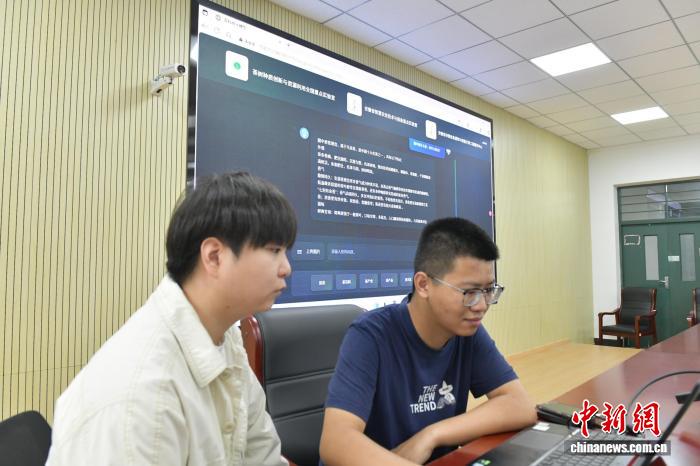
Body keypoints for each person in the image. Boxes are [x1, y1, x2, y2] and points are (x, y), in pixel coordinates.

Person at [47, 172, 296, 465]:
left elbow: (262, 455)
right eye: (274, 251)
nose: (286, 268)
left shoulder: (223, 336)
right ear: (214, 257)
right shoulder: (143, 397)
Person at [319, 217, 537, 465]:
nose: (481, 305)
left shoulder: (467, 332)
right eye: (469, 292)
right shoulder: (370, 335)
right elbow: (336, 442)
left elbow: (520, 405)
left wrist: (431, 435)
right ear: (423, 285)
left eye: (488, 290)